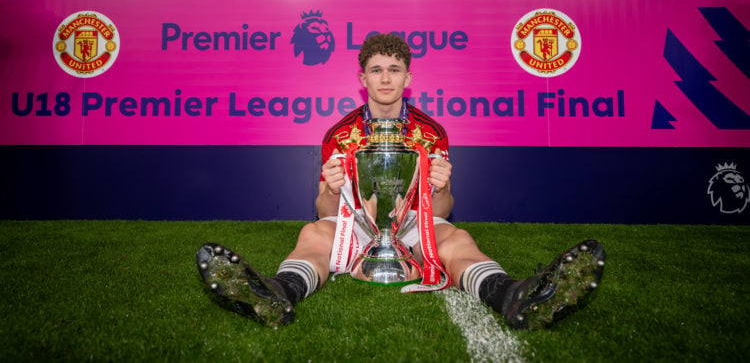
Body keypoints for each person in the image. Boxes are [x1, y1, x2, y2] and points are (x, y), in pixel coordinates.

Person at [196, 34, 605, 330]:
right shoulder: (339, 134)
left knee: (457, 238)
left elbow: (442, 210)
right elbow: (324, 210)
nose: (386, 78)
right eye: (377, 70)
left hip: (413, 225)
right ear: (363, 78)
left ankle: (512, 295)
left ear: (408, 77)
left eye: (394, 70)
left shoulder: (431, 132)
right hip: (358, 224)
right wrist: (332, 188)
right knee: (313, 232)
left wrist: (442, 188)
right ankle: (277, 292)